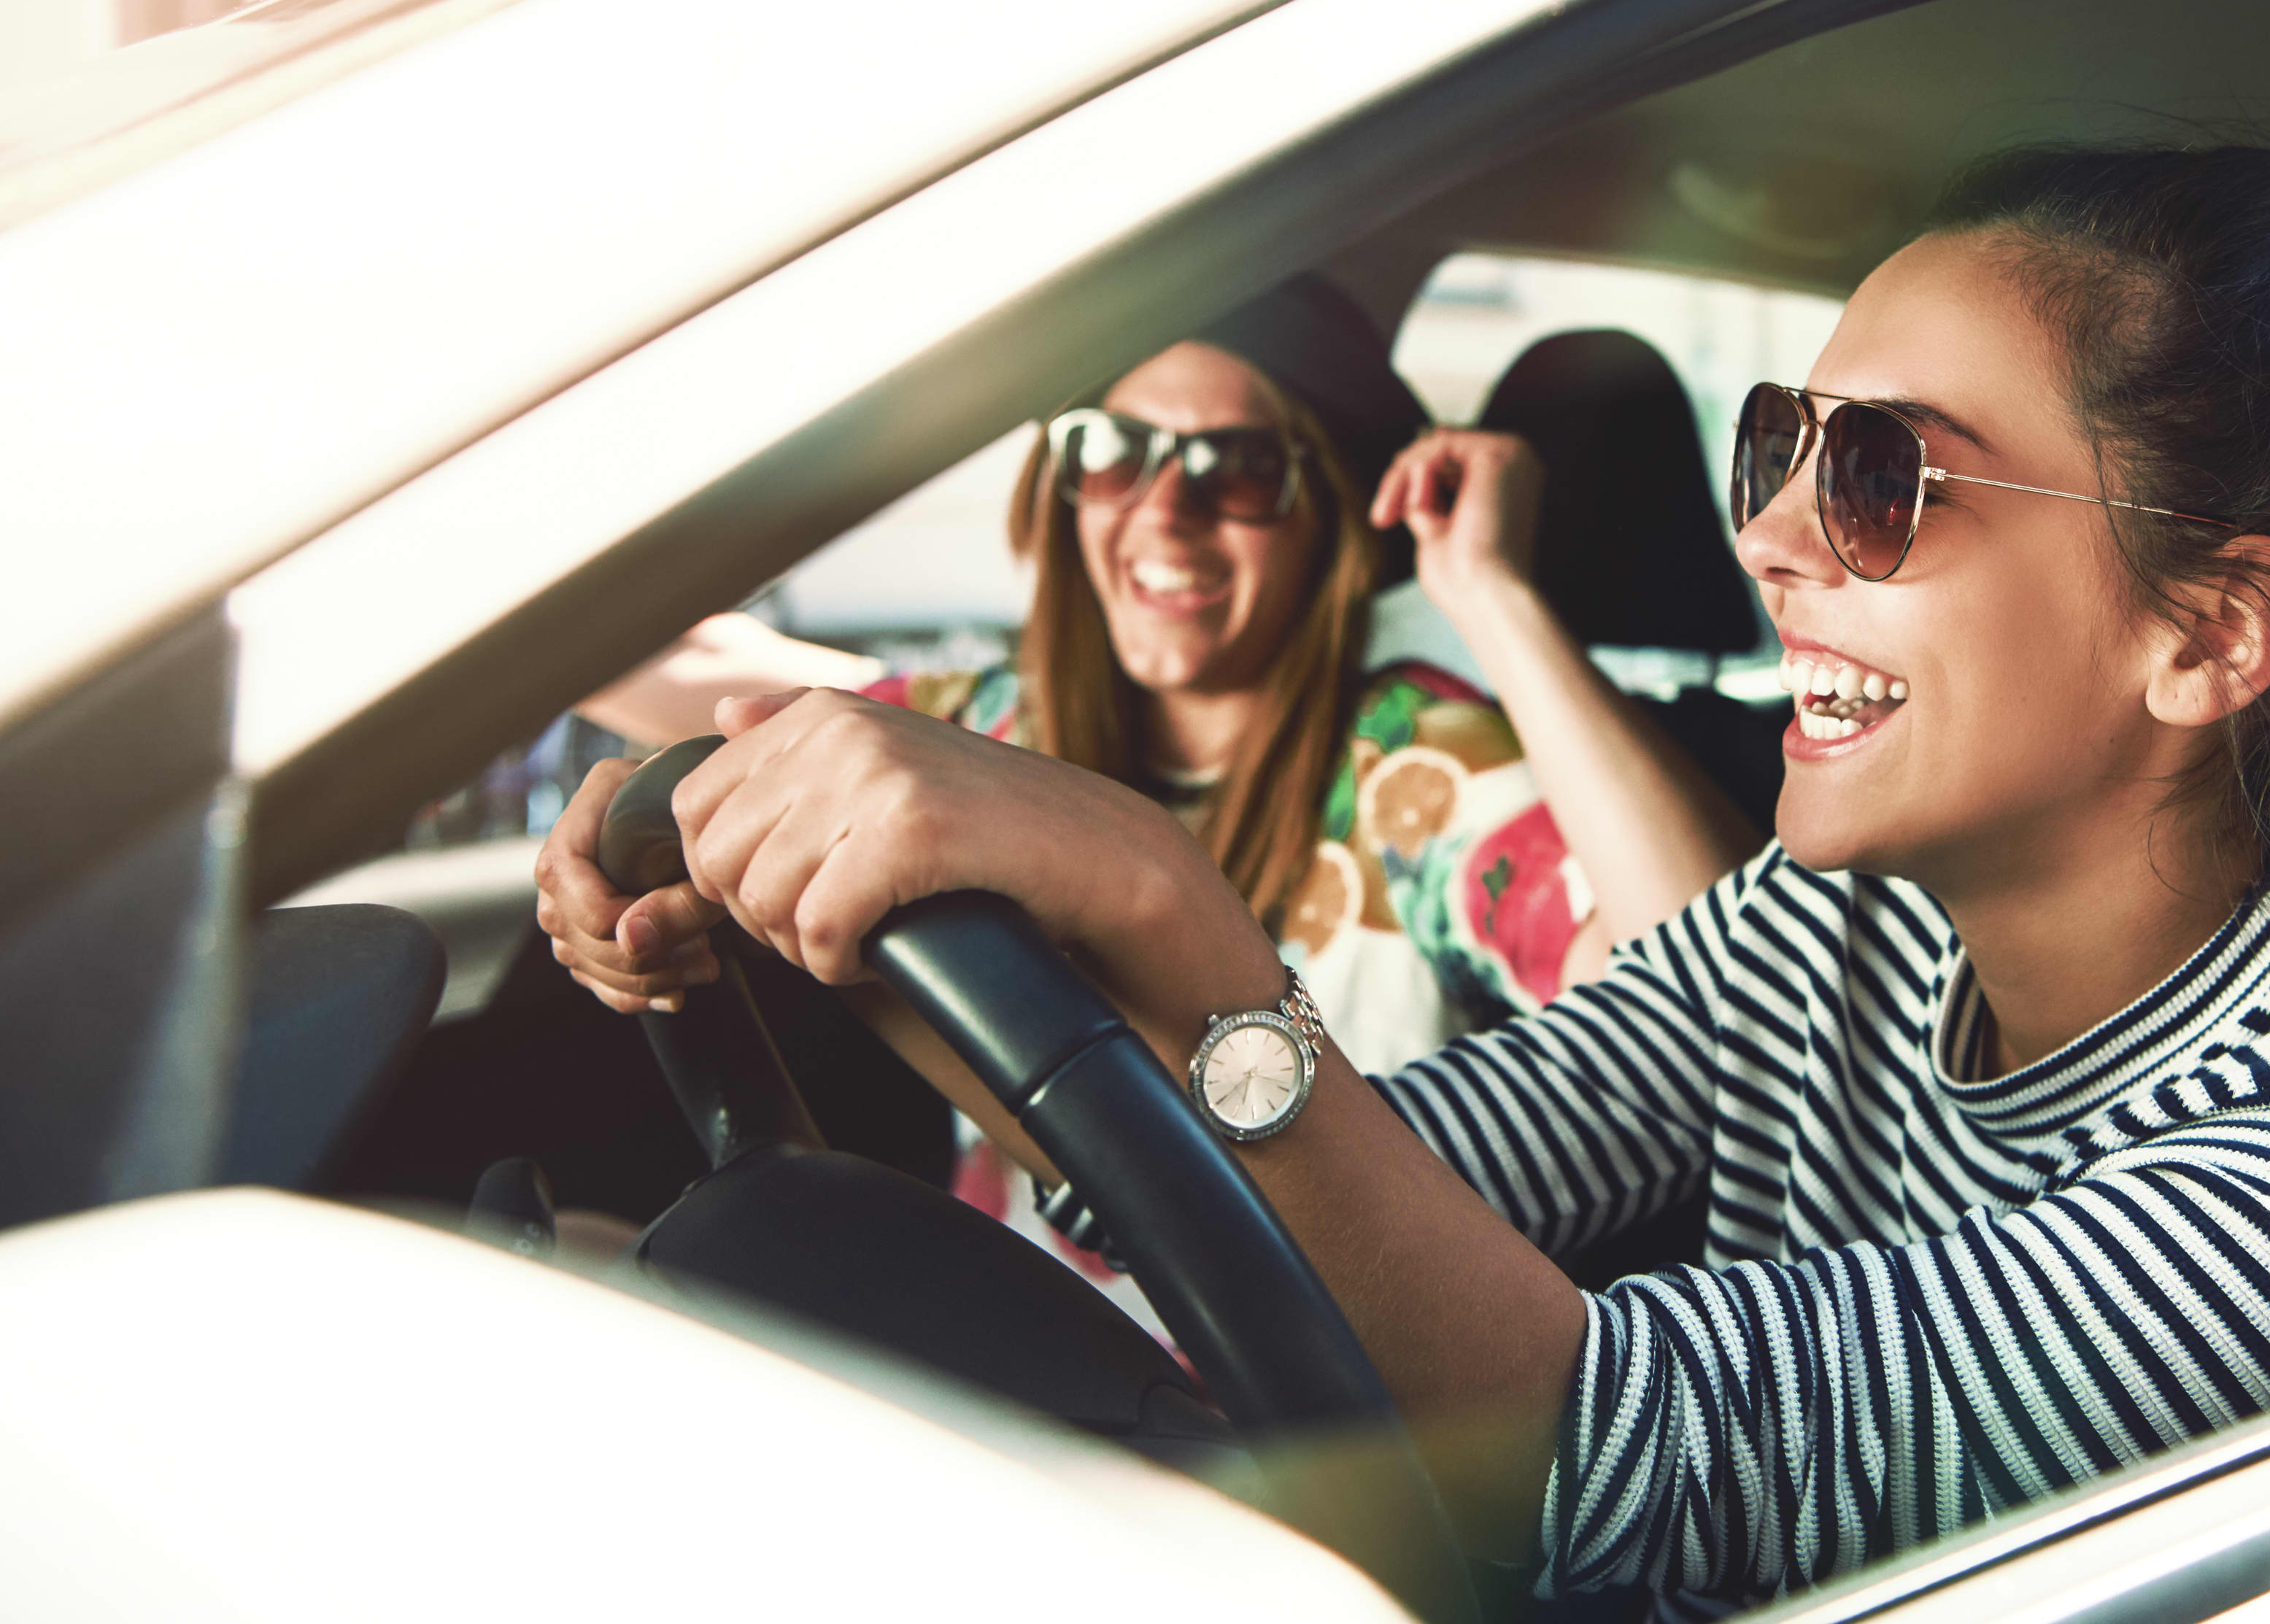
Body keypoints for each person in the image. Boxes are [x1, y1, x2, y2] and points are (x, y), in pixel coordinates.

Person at [544, 82, 2270, 1611]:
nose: (1772, 537)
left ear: (2203, 632)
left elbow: (1622, 1463)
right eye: (1781, 446)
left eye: (1882, 478)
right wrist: (822, 891)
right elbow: (1311, 1185)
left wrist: (1164, 905)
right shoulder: (1830, 931)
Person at [563, 277, 1759, 1299]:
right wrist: (627, 833)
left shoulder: (1413, 764)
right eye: (1113, 453)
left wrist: (1492, 591)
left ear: (1326, 515)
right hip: (1013, 1343)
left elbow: (1722, 998)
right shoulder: (982, 734)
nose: (1165, 510)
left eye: (1239, 467)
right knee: (576, 1259)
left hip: (1283, 1397)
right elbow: (658, 670)